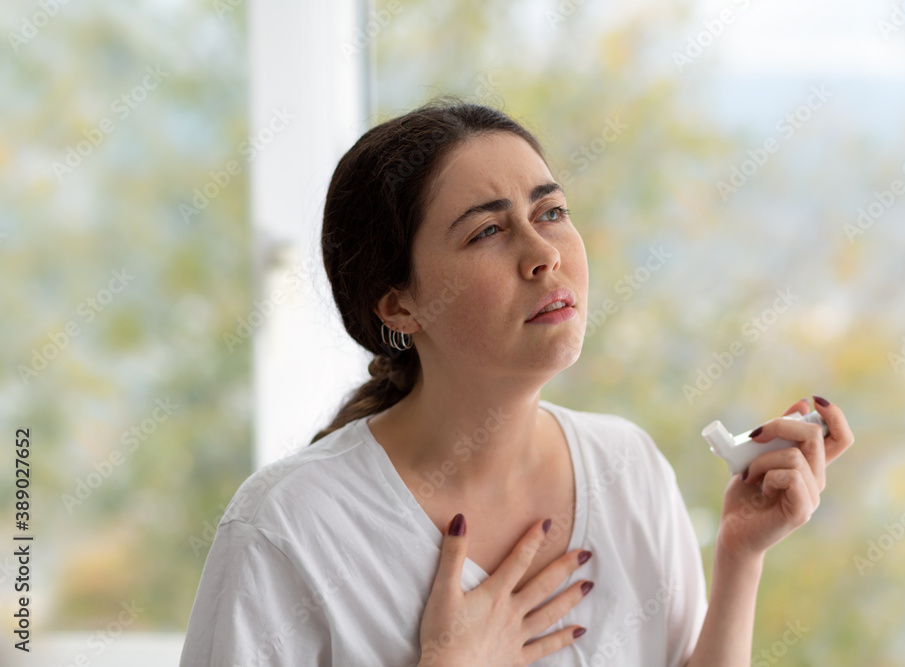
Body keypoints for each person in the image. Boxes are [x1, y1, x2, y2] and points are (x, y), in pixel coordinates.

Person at [179, 96, 854, 666]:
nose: (543, 254)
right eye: (488, 231)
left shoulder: (628, 467)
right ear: (398, 304)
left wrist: (740, 555)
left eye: (551, 213)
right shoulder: (287, 528)